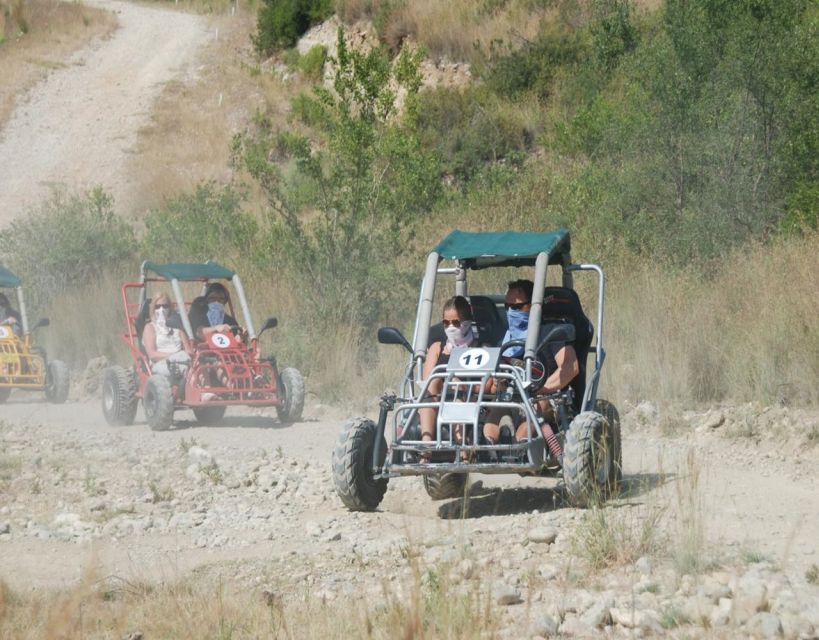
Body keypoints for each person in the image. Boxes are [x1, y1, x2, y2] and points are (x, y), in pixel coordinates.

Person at [483, 279, 580, 445]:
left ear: (533, 306)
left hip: (546, 397)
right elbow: (493, 385)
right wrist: (498, 384)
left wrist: (542, 389)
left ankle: (521, 447)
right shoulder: (505, 340)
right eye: (507, 307)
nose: (511, 312)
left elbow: (571, 367)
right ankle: (488, 448)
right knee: (497, 407)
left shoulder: (550, 332)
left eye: (517, 307)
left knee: (537, 406)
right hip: (512, 396)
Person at [419, 296, 479, 454]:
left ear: (467, 322)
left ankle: (463, 453)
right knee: (429, 389)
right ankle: (426, 447)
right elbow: (428, 381)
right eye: (446, 323)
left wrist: (460, 383)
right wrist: (450, 380)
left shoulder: (480, 348)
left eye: (456, 323)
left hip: (470, 396)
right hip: (439, 397)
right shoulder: (437, 347)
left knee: (458, 397)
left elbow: (486, 384)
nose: (451, 327)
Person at [142, 292, 193, 378]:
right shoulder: (150, 328)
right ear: (153, 309)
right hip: (161, 362)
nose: (161, 309)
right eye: (157, 306)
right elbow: (152, 355)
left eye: (165, 306)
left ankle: (207, 389)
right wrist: (174, 356)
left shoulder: (177, 326)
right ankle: (196, 390)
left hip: (182, 360)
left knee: (199, 367)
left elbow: (188, 349)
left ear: (170, 307)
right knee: (187, 370)